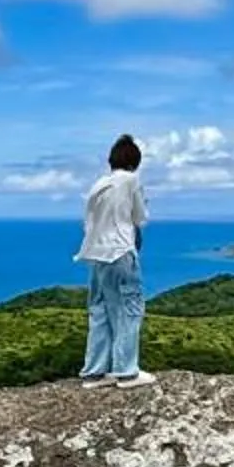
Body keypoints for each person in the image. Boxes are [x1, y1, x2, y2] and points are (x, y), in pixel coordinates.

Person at [77, 133, 153, 388]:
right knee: (130, 308)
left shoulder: (99, 185)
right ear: (134, 162)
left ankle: (94, 373)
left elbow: (87, 222)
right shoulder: (131, 181)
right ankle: (126, 372)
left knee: (100, 311)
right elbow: (140, 218)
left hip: (96, 254)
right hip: (121, 251)